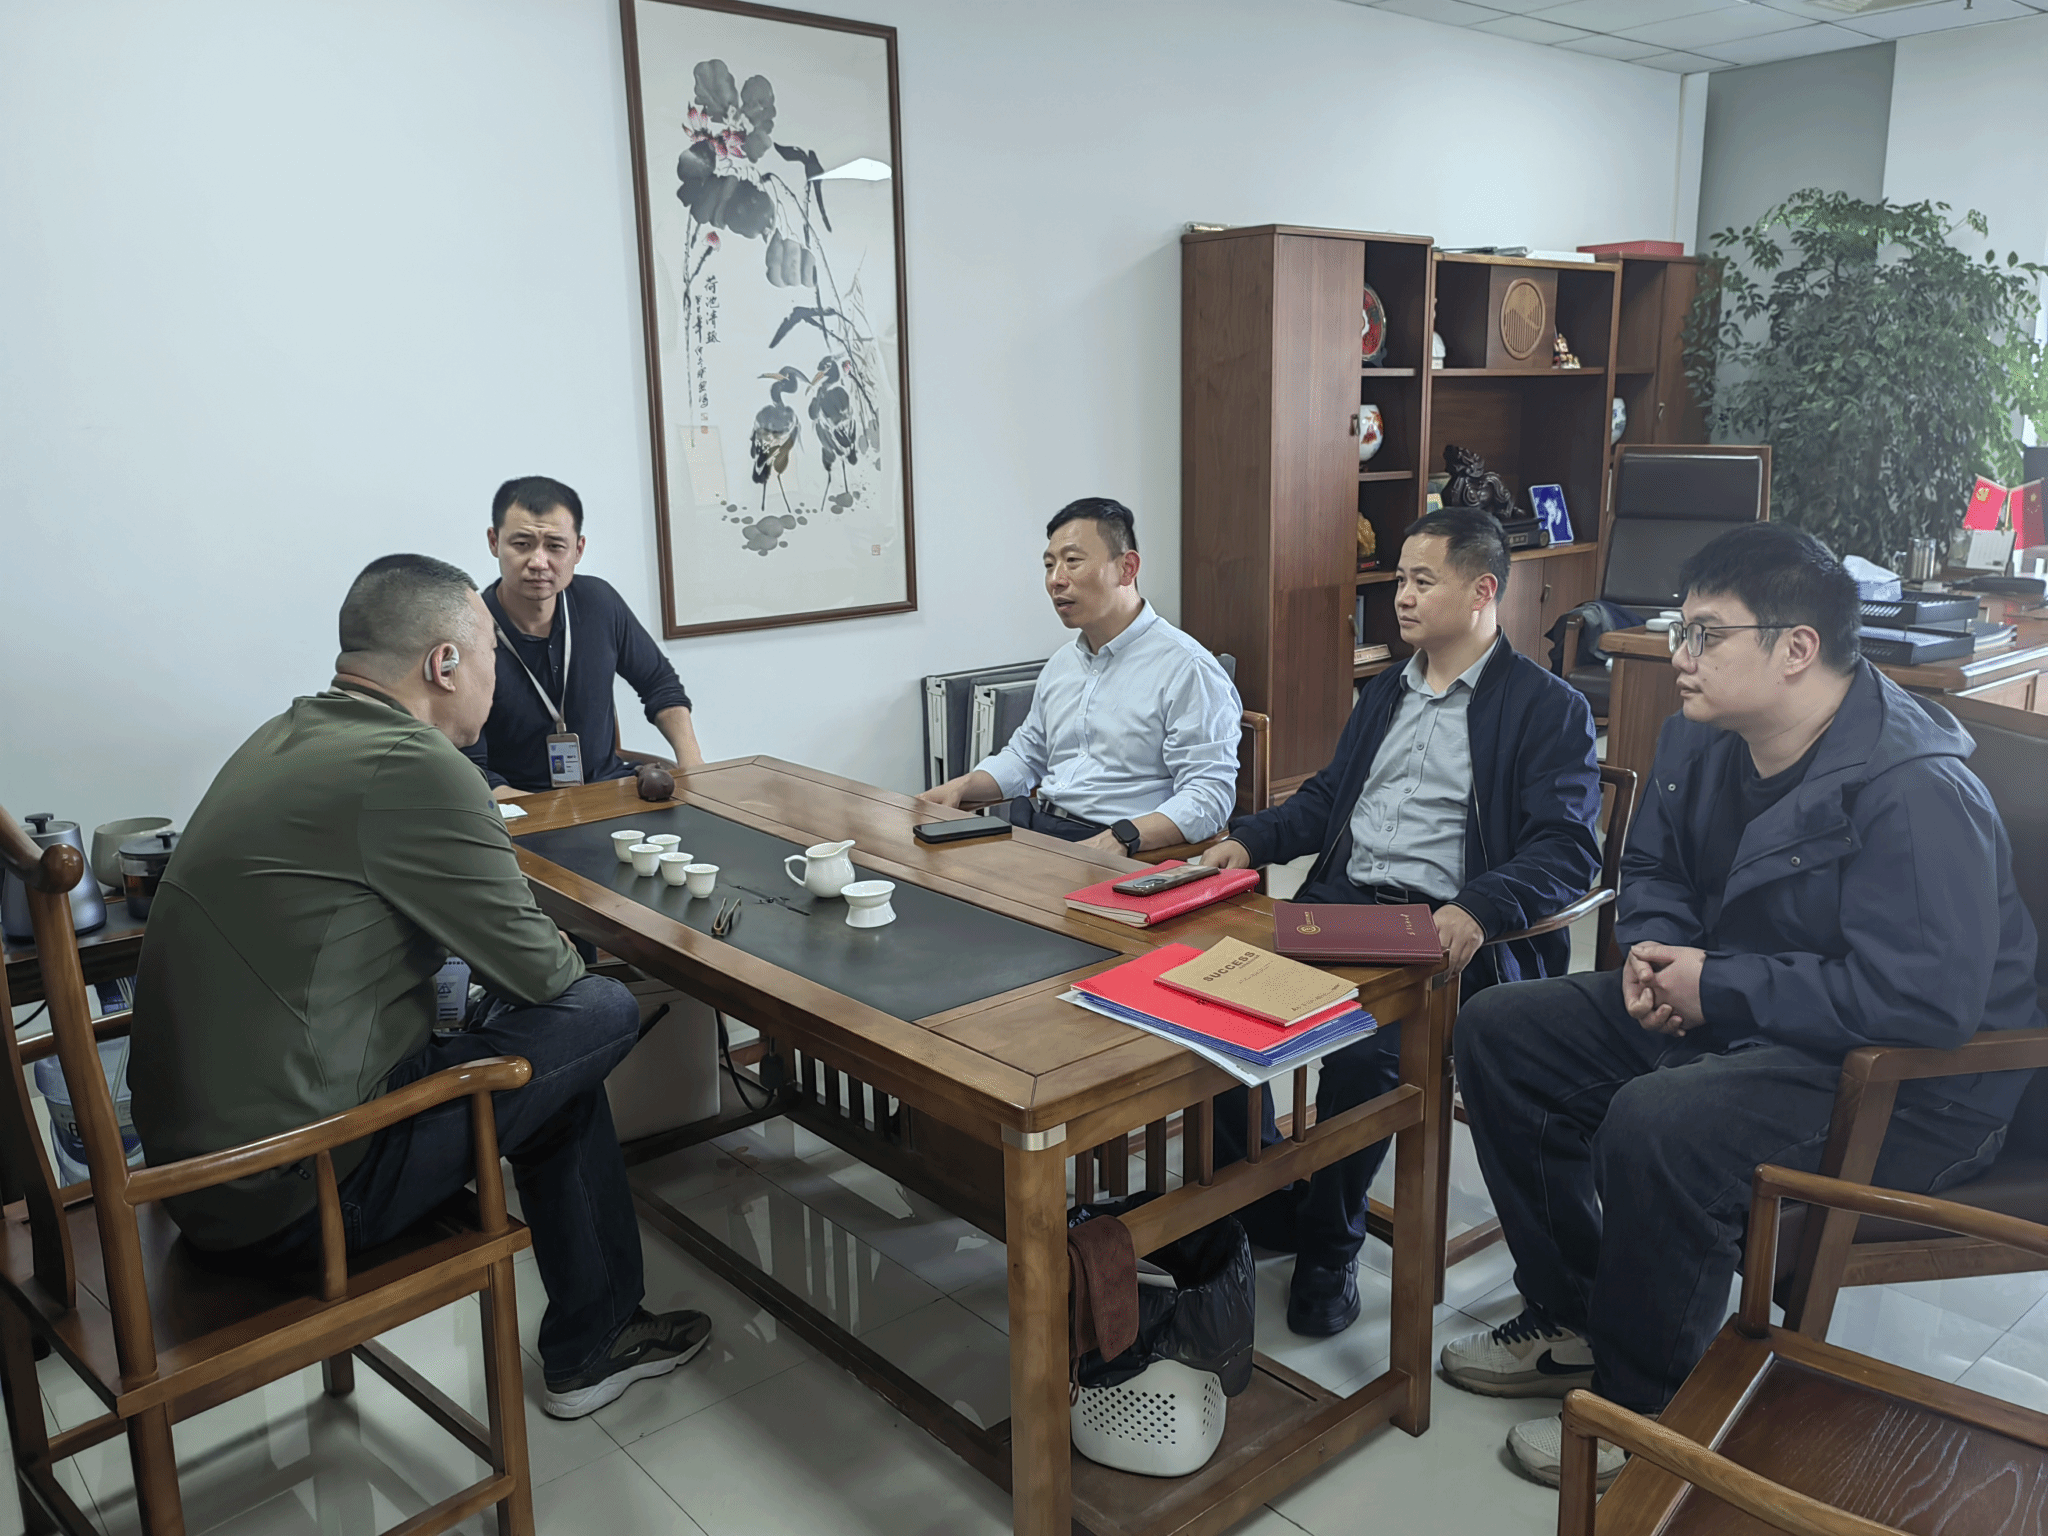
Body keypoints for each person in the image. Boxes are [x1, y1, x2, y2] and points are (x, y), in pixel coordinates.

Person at [1441, 522, 2042, 1490]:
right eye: (1679, 631)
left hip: (1911, 1084)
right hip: (1752, 1010)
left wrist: (1713, 985)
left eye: (1705, 635)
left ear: (1796, 648)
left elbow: (1922, 1001)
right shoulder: (1700, 734)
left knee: (1661, 1124)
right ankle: (1572, 1314)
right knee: (1502, 1031)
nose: (1679, 656)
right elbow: (1651, 865)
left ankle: (1649, 1408)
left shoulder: (1915, 789)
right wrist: (1654, 955)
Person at [130, 554, 711, 1421]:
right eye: (490, 658)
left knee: (534, 1049)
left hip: (191, 1175)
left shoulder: (285, 734)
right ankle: (595, 1342)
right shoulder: (418, 765)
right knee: (596, 1012)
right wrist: (538, 957)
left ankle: (601, 1335)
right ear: (444, 664)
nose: (494, 682)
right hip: (297, 1189)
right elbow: (549, 977)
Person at [1198, 509, 1602, 1337]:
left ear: (1483, 591)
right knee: (1206, 1004)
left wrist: (1479, 905)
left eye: (1423, 581)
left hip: (1440, 934)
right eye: (1400, 580)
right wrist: (1246, 842)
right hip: (1339, 906)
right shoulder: (1387, 689)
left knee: (1361, 1054)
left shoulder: (1545, 708)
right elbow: (1326, 799)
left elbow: (1567, 849)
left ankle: (1329, 1245)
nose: (1402, 597)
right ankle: (1260, 1197)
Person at [919, 497, 1242, 855]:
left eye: (1072, 561)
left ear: (1127, 568)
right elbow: (1027, 756)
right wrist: (962, 786)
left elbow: (1209, 796)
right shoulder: (1063, 663)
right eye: (1049, 565)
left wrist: (1121, 839)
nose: (1056, 580)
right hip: (1040, 832)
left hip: (1122, 847)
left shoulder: (1187, 668)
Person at [466, 475, 702, 798]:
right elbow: (472, 768)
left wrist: (694, 766)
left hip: (608, 790)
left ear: (578, 549)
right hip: (518, 805)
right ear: (494, 542)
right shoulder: (468, 631)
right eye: (522, 544)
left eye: (555, 546)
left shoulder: (598, 603)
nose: (538, 562)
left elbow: (659, 684)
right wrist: (550, 814)